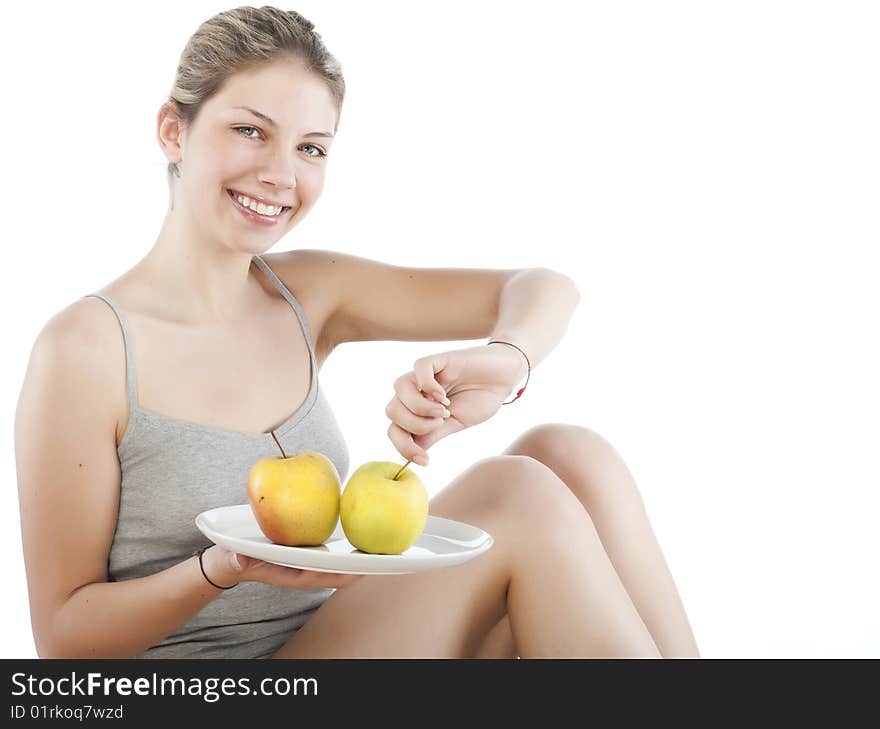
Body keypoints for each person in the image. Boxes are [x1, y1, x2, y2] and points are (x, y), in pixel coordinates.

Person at [14, 6, 699, 659]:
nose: (280, 174)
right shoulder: (85, 350)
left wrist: (506, 361)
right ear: (173, 130)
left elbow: (546, 287)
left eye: (310, 147)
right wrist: (221, 569)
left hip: (346, 639)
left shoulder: (308, 294)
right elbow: (65, 640)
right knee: (515, 494)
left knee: (569, 454)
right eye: (250, 130)